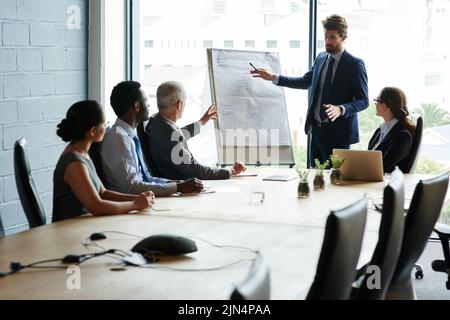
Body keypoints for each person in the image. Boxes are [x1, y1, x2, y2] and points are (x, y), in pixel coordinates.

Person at [251, 14, 369, 167]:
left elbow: (363, 100)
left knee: (336, 183)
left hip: (339, 136)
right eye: (325, 37)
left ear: (344, 37)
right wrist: (273, 77)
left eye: (332, 37)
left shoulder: (355, 64)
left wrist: (341, 109)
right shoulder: (320, 58)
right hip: (316, 132)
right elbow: (305, 81)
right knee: (314, 181)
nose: (327, 42)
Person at [52, 100, 155, 222]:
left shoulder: (83, 154)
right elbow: (96, 206)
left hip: (83, 223)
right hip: (67, 230)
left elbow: (103, 193)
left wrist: (138, 198)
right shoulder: (74, 164)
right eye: (104, 123)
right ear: (92, 131)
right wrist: (135, 205)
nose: (106, 127)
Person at [100, 81, 203, 196]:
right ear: (137, 106)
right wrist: (178, 187)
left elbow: (147, 178)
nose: (149, 106)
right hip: (130, 205)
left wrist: (178, 184)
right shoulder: (117, 138)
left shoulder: (130, 136)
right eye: (146, 101)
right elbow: (132, 187)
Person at [143, 81, 246, 180]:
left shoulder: (156, 121)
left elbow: (176, 136)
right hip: (182, 185)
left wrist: (201, 122)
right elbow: (195, 171)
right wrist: (230, 171)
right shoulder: (167, 135)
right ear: (179, 104)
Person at [368, 87, 415, 173]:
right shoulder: (380, 131)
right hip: (370, 178)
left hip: (386, 183)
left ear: (384, 106)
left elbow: (383, 166)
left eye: (376, 100)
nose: (375, 104)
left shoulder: (403, 136)